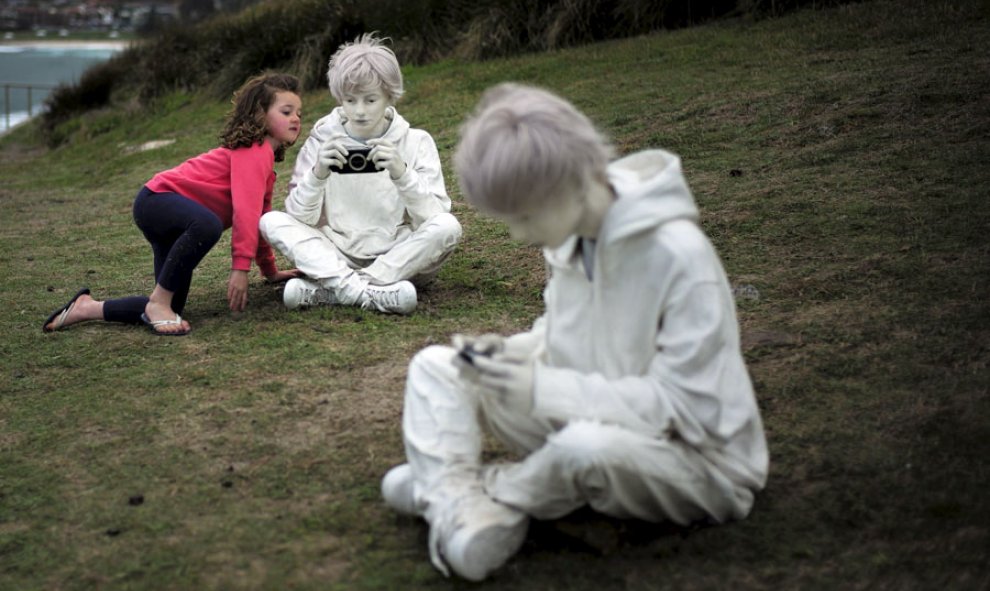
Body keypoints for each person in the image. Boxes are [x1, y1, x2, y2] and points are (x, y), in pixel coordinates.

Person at [380, 83, 769, 581]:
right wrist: (511, 354)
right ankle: (462, 501)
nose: (520, 235)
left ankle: (459, 491)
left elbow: (682, 408)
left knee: (583, 448)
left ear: (571, 183)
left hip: (694, 459)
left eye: (523, 216)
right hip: (582, 410)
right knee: (439, 367)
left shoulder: (677, 256)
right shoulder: (570, 236)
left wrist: (542, 388)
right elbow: (568, 334)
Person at [42, 73, 304, 336]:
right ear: (260, 114)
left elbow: (259, 218)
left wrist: (270, 271)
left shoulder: (265, 165)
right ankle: (158, 303)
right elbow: (245, 212)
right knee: (208, 225)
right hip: (158, 201)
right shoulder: (253, 151)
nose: (296, 118)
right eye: (286, 111)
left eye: (299, 113)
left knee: (172, 304)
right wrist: (240, 268)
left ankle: (86, 308)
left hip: (170, 215)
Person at [259, 33, 461, 315]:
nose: (360, 111)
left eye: (370, 100)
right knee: (271, 221)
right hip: (335, 252)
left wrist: (401, 173)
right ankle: (372, 293)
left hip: (398, 254)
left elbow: (434, 217)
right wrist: (318, 174)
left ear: (390, 96)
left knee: (448, 227)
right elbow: (301, 219)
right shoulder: (322, 140)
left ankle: (335, 291)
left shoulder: (416, 141)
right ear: (340, 97)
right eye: (350, 100)